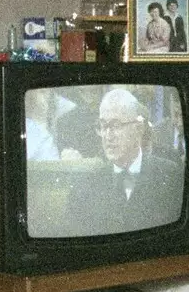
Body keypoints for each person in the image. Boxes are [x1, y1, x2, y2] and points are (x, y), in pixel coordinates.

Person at [62, 86, 182, 235]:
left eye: (116, 125)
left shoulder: (170, 174)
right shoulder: (83, 187)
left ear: (138, 128)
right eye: (103, 125)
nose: (108, 135)